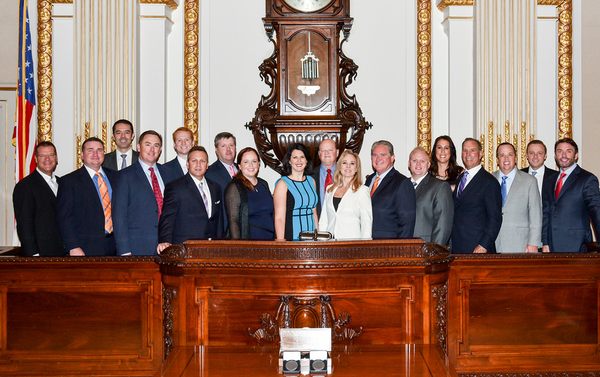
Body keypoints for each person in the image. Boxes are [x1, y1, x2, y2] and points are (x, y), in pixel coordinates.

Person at [113, 131, 174, 256]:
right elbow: (119, 216)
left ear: (160, 149)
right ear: (138, 147)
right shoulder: (124, 176)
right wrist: (124, 251)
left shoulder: (169, 174)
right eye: (148, 144)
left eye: (156, 145)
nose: (152, 149)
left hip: (169, 247)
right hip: (137, 249)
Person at [58, 137, 118, 256]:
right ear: (82, 155)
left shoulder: (116, 177)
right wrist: (73, 246)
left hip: (116, 245)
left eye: (99, 150)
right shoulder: (69, 181)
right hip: (85, 248)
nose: (95, 154)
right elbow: (65, 218)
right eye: (90, 150)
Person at [158, 146, 223, 251]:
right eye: (194, 161)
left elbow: (218, 221)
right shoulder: (175, 187)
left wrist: (220, 244)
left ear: (207, 165)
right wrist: (165, 241)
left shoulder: (215, 187)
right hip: (184, 248)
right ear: (187, 164)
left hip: (211, 249)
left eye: (202, 161)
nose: (198, 164)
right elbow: (167, 218)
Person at [542, 138, 600, 252]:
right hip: (551, 245)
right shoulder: (549, 180)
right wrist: (545, 242)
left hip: (577, 245)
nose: (563, 155)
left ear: (576, 155)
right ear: (555, 155)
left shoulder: (587, 179)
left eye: (568, 151)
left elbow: (597, 211)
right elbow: (546, 212)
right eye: (559, 151)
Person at [12, 141, 64, 256]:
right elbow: (24, 224)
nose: (47, 159)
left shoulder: (62, 183)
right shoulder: (25, 186)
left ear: (56, 158)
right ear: (36, 159)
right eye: (42, 156)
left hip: (63, 252)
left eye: (51, 155)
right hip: (41, 254)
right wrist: (34, 255)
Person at [451, 138, 502, 254]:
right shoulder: (460, 178)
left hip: (478, 249)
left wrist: (484, 245)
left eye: (472, 150)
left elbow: (495, 218)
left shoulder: (490, 182)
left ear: (480, 154)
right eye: (465, 150)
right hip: (457, 247)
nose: (468, 154)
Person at [493, 142, 542, 253]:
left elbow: (535, 214)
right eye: (502, 155)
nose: (506, 158)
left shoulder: (529, 181)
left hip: (521, 244)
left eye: (510, 154)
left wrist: (533, 243)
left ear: (515, 158)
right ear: (497, 160)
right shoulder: (489, 179)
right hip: (494, 243)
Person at [365, 140, 416, 239]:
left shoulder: (402, 183)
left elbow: (407, 224)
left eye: (383, 155)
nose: (378, 158)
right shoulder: (369, 180)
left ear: (392, 158)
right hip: (367, 245)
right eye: (374, 155)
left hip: (389, 247)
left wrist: (401, 251)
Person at [318, 150, 372, 239]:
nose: (348, 166)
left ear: (356, 168)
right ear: (339, 166)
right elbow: (324, 220)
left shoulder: (363, 191)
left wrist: (364, 247)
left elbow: (366, 223)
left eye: (352, 163)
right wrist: (321, 242)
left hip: (352, 245)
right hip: (330, 243)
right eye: (344, 163)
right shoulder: (330, 189)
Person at [224, 147, 274, 240]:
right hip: (249, 242)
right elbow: (233, 221)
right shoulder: (234, 187)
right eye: (246, 162)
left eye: (254, 161)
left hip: (269, 240)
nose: (251, 165)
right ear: (239, 166)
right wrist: (239, 248)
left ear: (259, 164)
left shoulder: (264, 184)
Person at [408, 147, 453, 246]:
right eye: (415, 160)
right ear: (409, 164)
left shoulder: (440, 187)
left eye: (422, 161)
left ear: (428, 165)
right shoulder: (402, 185)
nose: (418, 164)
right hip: (403, 249)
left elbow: (443, 225)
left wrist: (434, 252)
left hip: (426, 248)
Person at [273, 143, 319, 241]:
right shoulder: (282, 183)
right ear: (289, 161)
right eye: (295, 157)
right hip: (292, 236)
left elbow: (314, 212)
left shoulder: (311, 181)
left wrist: (317, 235)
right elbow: (279, 217)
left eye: (302, 157)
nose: (299, 161)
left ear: (307, 160)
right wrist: (280, 240)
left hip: (311, 237)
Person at [206, 132, 238, 231]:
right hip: (223, 230)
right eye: (223, 146)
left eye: (231, 145)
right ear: (216, 150)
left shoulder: (244, 169)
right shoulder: (209, 173)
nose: (228, 149)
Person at [312, 139, 339, 217]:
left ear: (337, 152)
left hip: (341, 224)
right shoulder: (309, 176)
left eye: (330, 150)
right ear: (319, 154)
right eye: (323, 150)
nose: (326, 153)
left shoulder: (346, 174)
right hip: (318, 223)